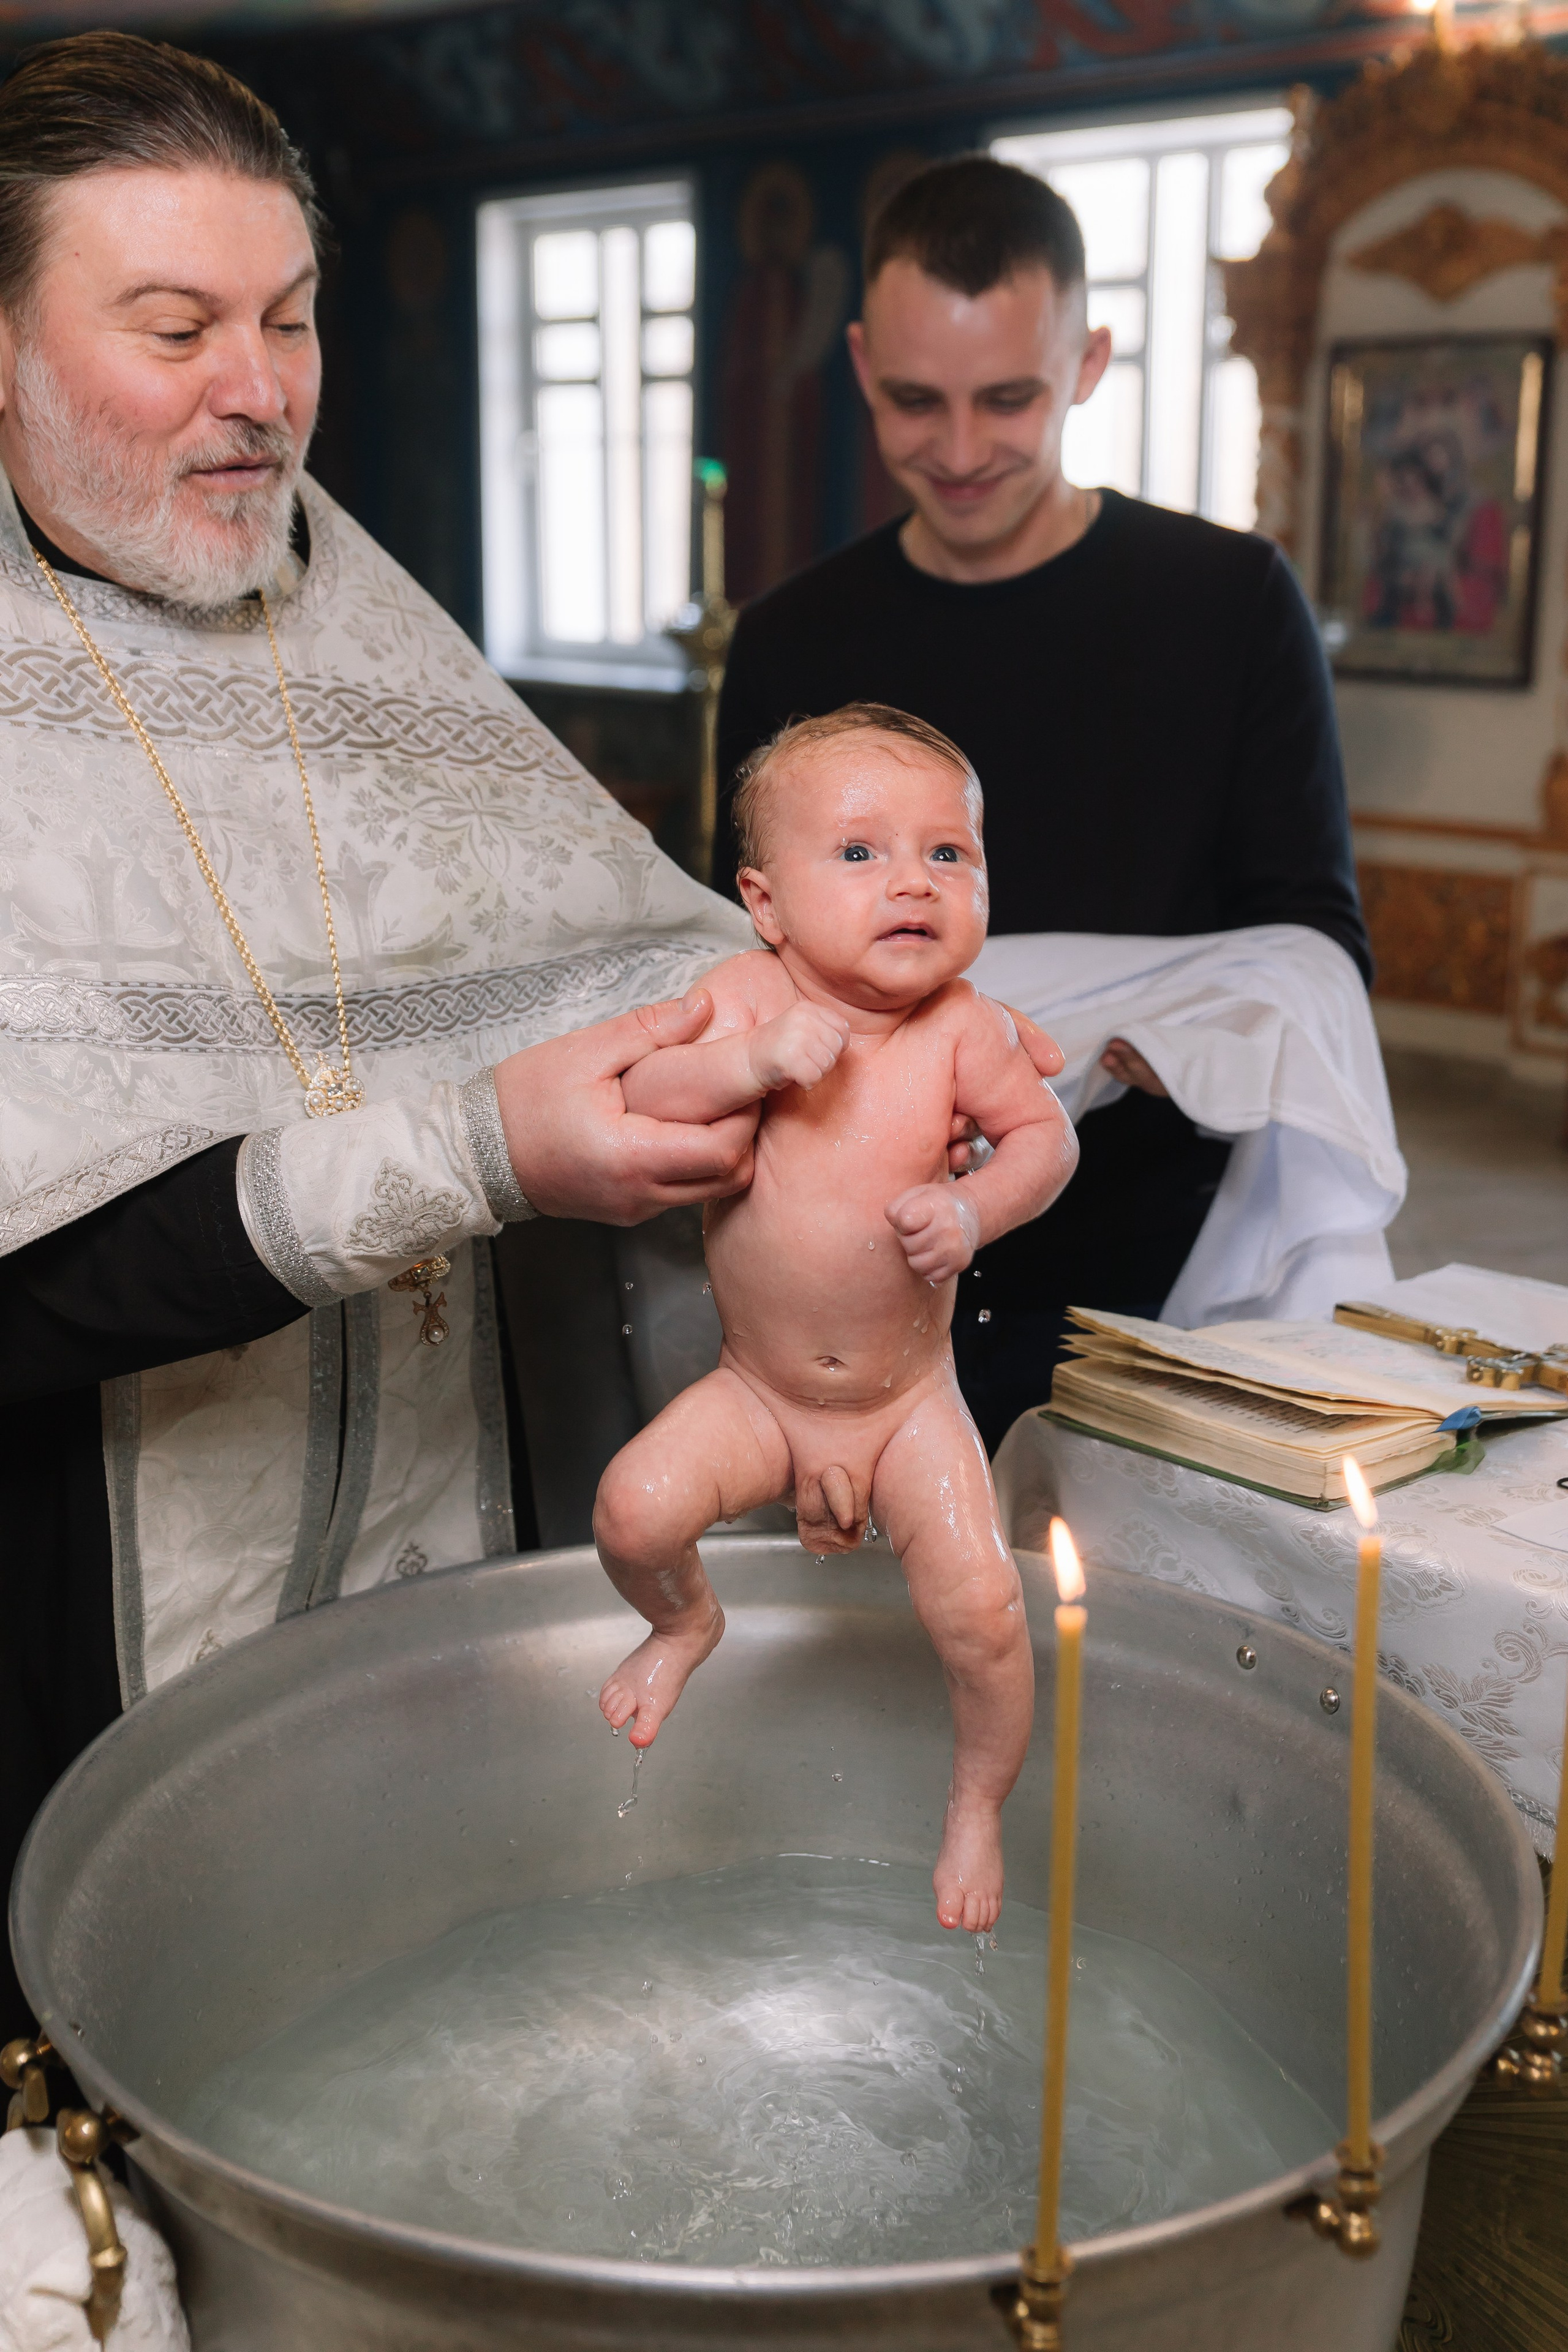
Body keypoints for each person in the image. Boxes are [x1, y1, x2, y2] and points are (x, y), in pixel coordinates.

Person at [0, 32, 769, 2046]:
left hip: (443, 1524)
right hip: (74, 1616)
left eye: (289, 317)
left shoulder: (359, 620)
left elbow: (613, 964)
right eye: (171, 327)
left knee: (426, 2016)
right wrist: (474, 1150)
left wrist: (835, 1051)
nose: (258, 389)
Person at [715, 154, 1371, 1454]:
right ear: (858, 366)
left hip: (1147, 1242)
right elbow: (744, 940)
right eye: (914, 402)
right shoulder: (792, 637)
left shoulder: (1229, 602)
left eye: (1006, 398)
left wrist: (1160, 1054)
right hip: (855, 1244)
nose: (957, 453)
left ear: (1086, 361)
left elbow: (1308, 941)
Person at [594, 706, 1078, 1934]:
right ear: (765, 903)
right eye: (857, 854)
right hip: (755, 1390)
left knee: (979, 1606)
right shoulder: (740, 993)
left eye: (947, 854)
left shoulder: (965, 1028)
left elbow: (1045, 1140)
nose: (910, 879)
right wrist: (749, 1063)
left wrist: (972, 1214)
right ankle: (684, 1619)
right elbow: (647, 1088)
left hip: (905, 1404)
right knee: (633, 1511)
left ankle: (973, 1805)